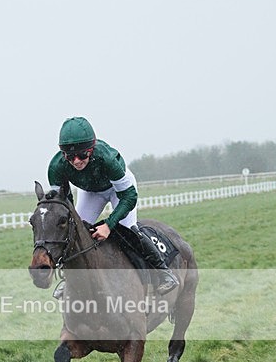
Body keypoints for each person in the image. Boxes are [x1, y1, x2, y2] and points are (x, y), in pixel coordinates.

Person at [47, 116, 178, 293]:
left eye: (82, 155)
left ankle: (164, 272)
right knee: (74, 230)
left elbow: (129, 196)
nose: (77, 161)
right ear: (63, 155)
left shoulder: (106, 158)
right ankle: (70, 279)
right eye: (70, 157)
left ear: (92, 149)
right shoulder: (56, 167)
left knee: (128, 230)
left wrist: (109, 225)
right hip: (91, 191)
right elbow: (63, 203)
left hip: (119, 190)